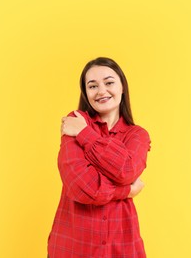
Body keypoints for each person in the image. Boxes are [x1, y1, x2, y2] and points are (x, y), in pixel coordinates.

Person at [47, 57, 151, 258]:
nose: (101, 91)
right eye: (92, 86)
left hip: (122, 246)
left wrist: (85, 135)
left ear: (122, 88)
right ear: (86, 93)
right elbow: (82, 188)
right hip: (72, 247)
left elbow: (127, 170)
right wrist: (126, 190)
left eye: (109, 82)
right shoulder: (75, 121)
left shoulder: (137, 135)